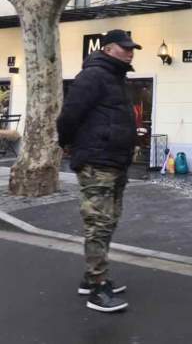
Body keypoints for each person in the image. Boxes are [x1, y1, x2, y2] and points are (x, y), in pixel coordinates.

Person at [57, 29, 141, 313]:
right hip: (97, 160)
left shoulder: (117, 78)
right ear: (107, 49)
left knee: (110, 219)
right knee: (99, 223)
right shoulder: (93, 76)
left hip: (116, 161)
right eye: (124, 47)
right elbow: (69, 116)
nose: (130, 52)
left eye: (132, 48)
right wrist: (69, 145)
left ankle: (91, 276)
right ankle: (97, 286)